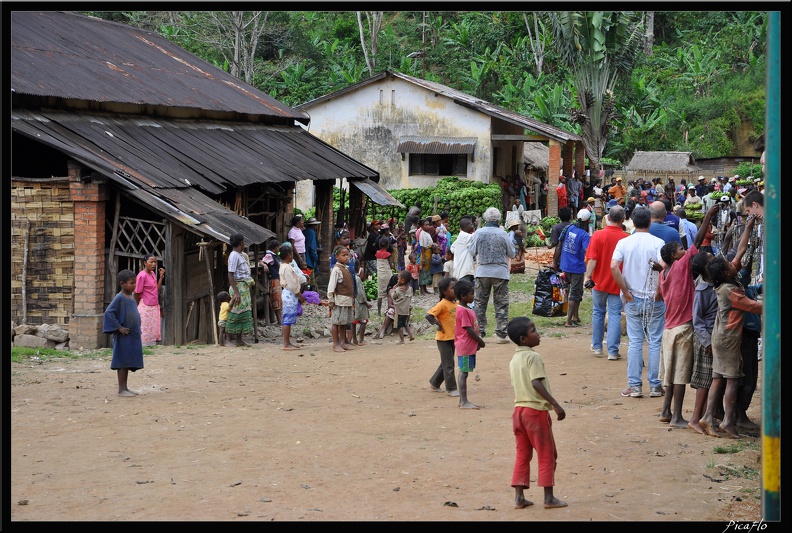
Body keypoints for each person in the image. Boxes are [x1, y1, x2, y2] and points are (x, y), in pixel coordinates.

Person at [655, 205, 718, 428]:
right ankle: (677, 416)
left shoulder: (663, 273)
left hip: (668, 328)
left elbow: (661, 295)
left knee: (670, 373)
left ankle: (665, 410)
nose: (686, 252)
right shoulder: (682, 266)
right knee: (680, 374)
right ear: (675, 256)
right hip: (683, 328)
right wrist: (708, 215)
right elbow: (698, 241)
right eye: (681, 251)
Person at [699, 246, 763, 439]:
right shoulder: (731, 291)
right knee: (732, 381)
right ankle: (727, 421)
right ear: (727, 272)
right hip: (728, 340)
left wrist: (749, 228)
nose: (734, 263)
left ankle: (708, 417)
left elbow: (739, 254)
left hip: (720, 337)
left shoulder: (723, 283)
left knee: (718, 379)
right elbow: (754, 306)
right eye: (730, 264)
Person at [507, 316, 567, 510]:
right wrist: (556, 405)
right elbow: (536, 383)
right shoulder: (533, 357)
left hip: (518, 412)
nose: (538, 333)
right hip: (535, 412)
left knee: (522, 454)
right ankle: (548, 497)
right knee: (547, 453)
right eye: (534, 331)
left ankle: (519, 497)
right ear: (524, 339)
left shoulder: (515, 359)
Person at [610, 206, 666, 399]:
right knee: (654, 341)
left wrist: (625, 291)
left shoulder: (624, 243)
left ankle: (634, 386)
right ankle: (655, 385)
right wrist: (658, 290)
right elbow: (663, 267)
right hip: (654, 298)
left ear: (632, 222)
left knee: (635, 342)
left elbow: (614, 266)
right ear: (650, 221)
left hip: (632, 298)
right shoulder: (658, 243)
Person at [584, 205, 629, 360]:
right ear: (623, 219)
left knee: (598, 312)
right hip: (618, 282)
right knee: (615, 314)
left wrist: (588, 277)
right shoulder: (626, 237)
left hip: (598, 282)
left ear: (608, 218)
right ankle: (613, 350)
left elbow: (592, 259)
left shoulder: (597, 235)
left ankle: (597, 347)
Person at [469, 207, 516, 344]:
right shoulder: (503, 234)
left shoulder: (479, 233)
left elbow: (472, 251)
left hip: (483, 271)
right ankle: (501, 333)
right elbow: (512, 253)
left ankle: (479, 332)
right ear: (499, 219)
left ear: (485, 219)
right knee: (501, 303)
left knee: (479, 303)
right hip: (500, 273)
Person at [103, 269, 143, 397]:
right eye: (131, 283)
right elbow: (109, 313)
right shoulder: (119, 298)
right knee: (122, 362)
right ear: (122, 284)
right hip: (123, 336)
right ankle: (121, 389)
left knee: (127, 362)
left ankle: (125, 387)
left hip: (131, 335)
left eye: (135, 283)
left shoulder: (130, 298)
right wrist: (119, 328)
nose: (134, 285)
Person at [425, 276, 459, 397]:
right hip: (443, 339)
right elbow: (429, 315)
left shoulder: (457, 303)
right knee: (449, 364)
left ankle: (435, 382)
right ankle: (451, 388)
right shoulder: (442, 304)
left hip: (453, 338)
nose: (456, 291)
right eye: (453, 288)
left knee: (445, 363)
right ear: (444, 291)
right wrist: (438, 324)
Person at [454, 279, 484, 409]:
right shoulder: (462, 310)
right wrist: (479, 340)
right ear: (463, 296)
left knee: (465, 371)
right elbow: (469, 329)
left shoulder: (467, 308)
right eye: (471, 293)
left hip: (468, 345)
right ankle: (464, 401)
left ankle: (463, 400)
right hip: (465, 346)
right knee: (464, 372)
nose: (473, 296)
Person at [558, 209, 591, 327]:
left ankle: (576, 316)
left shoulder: (569, 228)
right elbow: (588, 251)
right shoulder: (584, 235)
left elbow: (561, 244)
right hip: (576, 267)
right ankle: (568, 320)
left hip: (565, 265)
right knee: (575, 294)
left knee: (572, 292)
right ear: (587, 222)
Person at [226, 233, 254, 347]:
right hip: (238, 287)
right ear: (241, 243)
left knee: (242, 313)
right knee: (234, 313)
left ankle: (239, 339)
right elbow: (230, 275)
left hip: (243, 287)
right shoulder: (233, 256)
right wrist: (236, 292)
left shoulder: (240, 255)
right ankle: (227, 339)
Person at [327, 245, 355, 352]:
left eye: (347, 255)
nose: (346, 257)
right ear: (337, 256)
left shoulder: (345, 268)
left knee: (343, 323)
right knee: (336, 322)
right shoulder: (336, 270)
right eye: (343, 255)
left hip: (346, 301)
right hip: (339, 300)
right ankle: (335, 344)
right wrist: (330, 300)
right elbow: (331, 286)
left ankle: (343, 342)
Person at [133, 253, 165, 347]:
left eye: (155, 262)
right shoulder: (141, 276)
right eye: (151, 262)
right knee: (144, 328)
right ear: (145, 263)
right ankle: (142, 347)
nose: (154, 264)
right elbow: (137, 292)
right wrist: (137, 306)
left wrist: (161, 277)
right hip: (145, 307)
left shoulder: (152, 274)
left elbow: (156, 290)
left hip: (154, 306)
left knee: (152, 328)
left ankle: (150, 347)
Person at [279, 243, 305, 351]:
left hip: (288, 293)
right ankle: (286, 343)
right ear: (289, 255)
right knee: (287, 319)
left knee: (288, 319)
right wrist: (299, 295)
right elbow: (292, 284)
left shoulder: (283, 266)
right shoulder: (287, 268)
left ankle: (287, 342)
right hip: (290, 293)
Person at [260, 238, 283, 326]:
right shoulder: (269, 255)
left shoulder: (275, 255)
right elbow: (262, 262)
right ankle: (279, 320)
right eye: (278, 248)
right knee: (276, 299)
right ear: (275, 247)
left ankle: (280, 319)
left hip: (277, 279)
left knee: (278, 299)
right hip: (274, 279)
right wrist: (265, 265)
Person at [391, 270, 415, 344]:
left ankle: (402, 340)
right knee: (405, 323)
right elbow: (410, 298)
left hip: (399, 310)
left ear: (402, 280)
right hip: (407, 310)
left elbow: (393, 297)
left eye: (398, 279)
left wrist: (394, 289)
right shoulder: (410, 289)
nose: (398, 280)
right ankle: (411, 335)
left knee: (399, 325)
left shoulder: (398, 290)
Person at [450, 216, 475, 284]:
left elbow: (452, 248)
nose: (473, 226)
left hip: (463, 268)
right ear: (466, 227)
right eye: (471, 224)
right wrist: (479, 224)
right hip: (464, 269)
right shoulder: (464, 236)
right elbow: (477, 236)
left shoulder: (461, 237)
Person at [375, 274, 400, 340]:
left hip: (401, 308)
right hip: (394, 308)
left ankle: (405, 329)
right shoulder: (391, 291)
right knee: (390, 311)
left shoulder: (402, 290)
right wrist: (397, 308)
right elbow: (390, 305)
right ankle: (383, 330)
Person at [352, 274, 372, 346]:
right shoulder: (357, 279)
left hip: (352, 301)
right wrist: (366, 303)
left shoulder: (350, 276)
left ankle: (354, 339)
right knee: (363, 320)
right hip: (359, 303)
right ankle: (361, 339)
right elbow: (360, 293)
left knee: (353, 321)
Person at [375, 238, 393, 316]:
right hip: (387, 274)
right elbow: (390, 265)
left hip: (380, 275)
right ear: (388, 245)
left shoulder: (377, 253)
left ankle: (379, 311)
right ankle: (389, 309)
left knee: (380, 294)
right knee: (389, 292)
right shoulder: (388, 254)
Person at [417, 218, 434, 294]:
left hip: (429, 252)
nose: (428, 226)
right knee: (423, 271)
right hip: (425, 253)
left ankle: (425, 288)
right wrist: (423, 257)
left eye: (428, 224)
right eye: (426, 225)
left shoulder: (427, 233)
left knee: (427, 270)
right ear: (422, 226)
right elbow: (422, 247)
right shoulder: (422, 234)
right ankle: (422, 289)